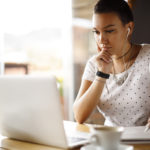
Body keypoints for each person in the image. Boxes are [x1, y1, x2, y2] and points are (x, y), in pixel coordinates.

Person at [73, 0, 150, 127]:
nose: (101, 39)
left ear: (129, 28)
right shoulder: (94, 64)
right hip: (110, 140)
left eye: (109, 31)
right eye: (96, 32)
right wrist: (101, 74)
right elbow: (79, 116)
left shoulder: (148, 57)